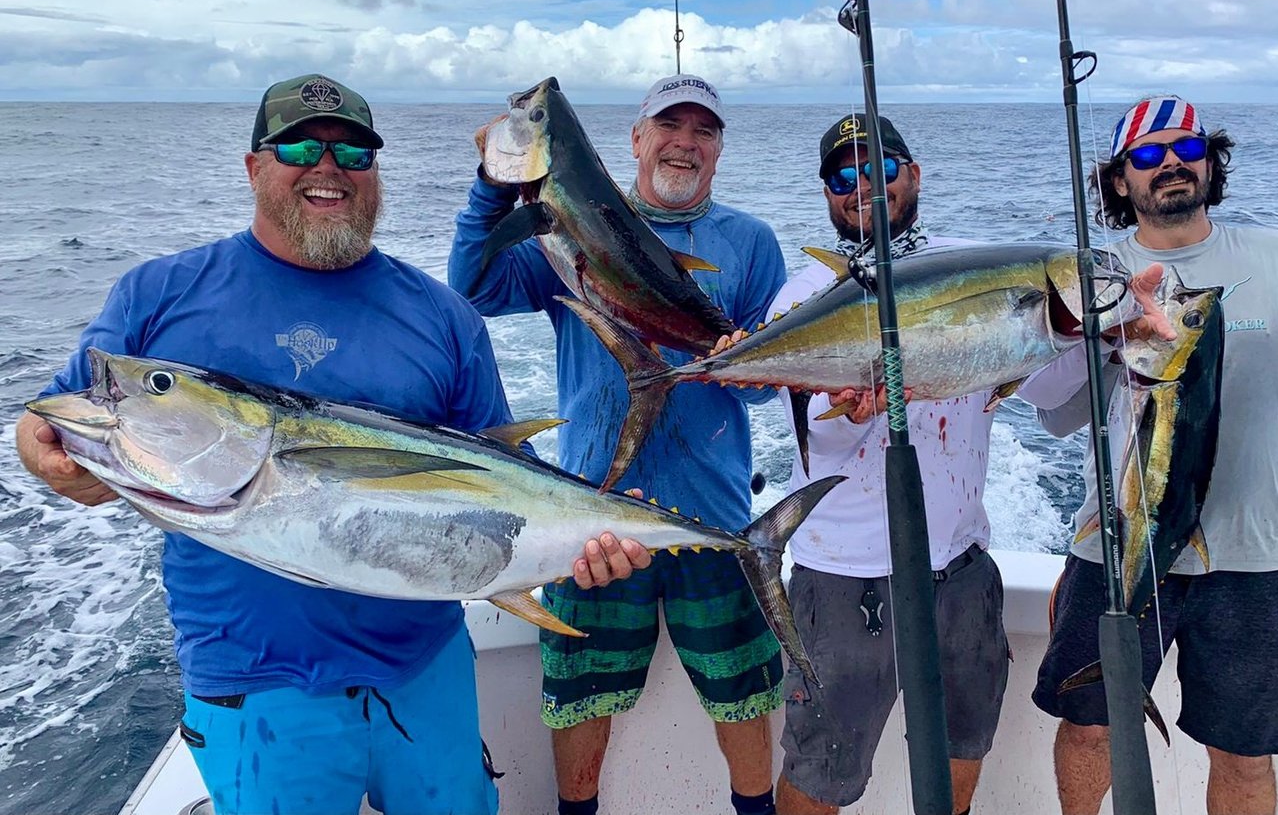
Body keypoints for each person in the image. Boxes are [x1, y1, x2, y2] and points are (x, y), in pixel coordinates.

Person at [15, 73, 651, 815]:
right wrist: (51, 459)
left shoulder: (443, 316)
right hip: (255, 678)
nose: (329, 167)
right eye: (299, 146)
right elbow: (50, 419)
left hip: (425, 665)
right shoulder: (158, 295)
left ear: (375, 175)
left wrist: (592, 537)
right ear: (255, 167)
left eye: (354, 152)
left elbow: (507, 481)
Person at [449, 74, 787, 815]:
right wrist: (491, 184)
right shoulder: (558, 229)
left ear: (720, 150)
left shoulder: (751, 243)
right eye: (670, 125)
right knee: (580, 702)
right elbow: (471, 287)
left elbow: (770, 387)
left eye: (704, 131)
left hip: (712, 520)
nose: (685, 143)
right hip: (591, 516)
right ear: (635, 140)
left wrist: (745, 358)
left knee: (742, 700)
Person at [1019, 94, 1278, 815]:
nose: (1170, 165)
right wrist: (1095, 332)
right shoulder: (1090, 278)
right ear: (1121, 179)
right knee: (1090, 727)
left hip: (1256, 555)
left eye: (1186, 148)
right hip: (1120, 543)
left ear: (1211, 163)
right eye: (1148, 156)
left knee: (1245, 755)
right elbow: (1050, 408)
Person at [765, 114, 1009, 815]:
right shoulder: (801, 298)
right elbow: (824, 441)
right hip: (844, 578)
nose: (863, 186)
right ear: (826, 194)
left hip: (959, 565)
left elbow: (1053, 388)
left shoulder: (975, 269)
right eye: (843, 176)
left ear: (915, 174)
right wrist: (848, 407)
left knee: (966, 744)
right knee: (822, 771)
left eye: (881, 167)